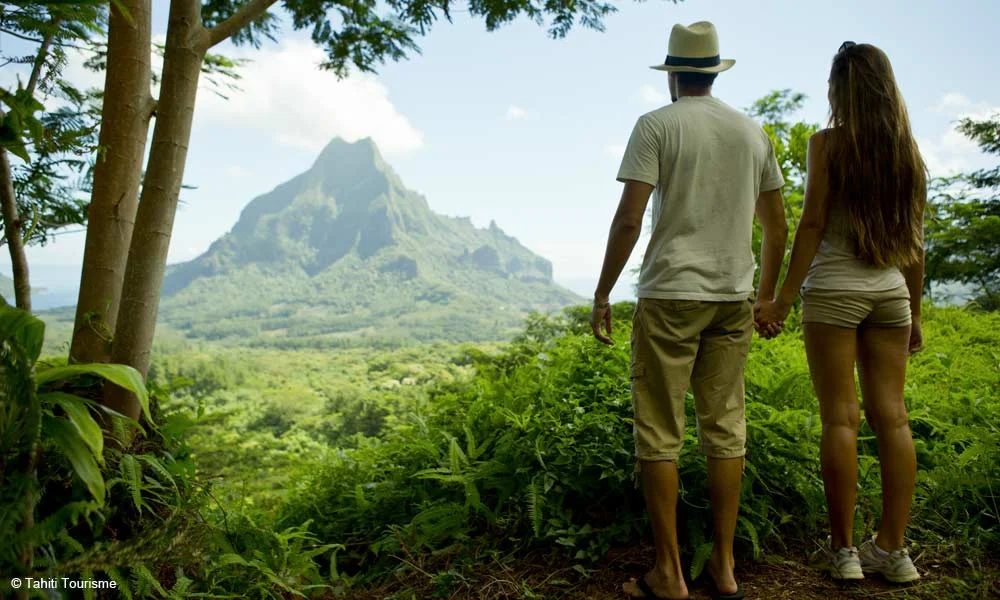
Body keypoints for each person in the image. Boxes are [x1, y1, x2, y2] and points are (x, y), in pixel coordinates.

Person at [590, 21, 787, 600]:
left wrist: (603, 293)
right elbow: (776, 226)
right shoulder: (753, 133)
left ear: (674, 74)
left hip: (671, 293)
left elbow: (629, 220)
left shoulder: (656, 125)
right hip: (734, 296)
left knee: (659, 430)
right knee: (725, 427)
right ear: (715, 71)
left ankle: (669, 574)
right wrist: (767, 295)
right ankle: (724, 569)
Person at [754, 41, 925, 584]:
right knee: (893, 418)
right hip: (889, 293)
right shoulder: (908, 152)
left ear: (840, 89)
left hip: (834, 292)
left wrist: (781, 298)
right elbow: (915, 244)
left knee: (841, 418)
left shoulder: (827, 144)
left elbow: (811, 224)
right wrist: (914, 314)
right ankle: (894, 551)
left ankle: (845, 551)